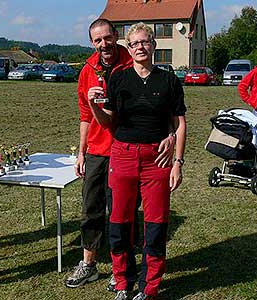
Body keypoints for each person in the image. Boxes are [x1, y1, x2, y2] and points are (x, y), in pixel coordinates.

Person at [65, 19, 176, 291]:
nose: (104, 44)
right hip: (97, 149)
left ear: (117, 37)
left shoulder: (134, 64)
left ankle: (123, 270)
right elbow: (84, 116)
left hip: (128, 151)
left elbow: (166, 111)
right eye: (97, 40)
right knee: (91, 208)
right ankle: (88, 264)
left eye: (108, 37)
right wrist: (81, 152)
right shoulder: (87, 70)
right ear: (92, 42)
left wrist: (171, 136)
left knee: (124, 213)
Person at [88, 22, 187, 300]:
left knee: (155, 225)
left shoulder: (168, 80)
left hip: (158, 158)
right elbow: (108, 122)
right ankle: (123, 282)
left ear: (154, 46)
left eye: (145, 42)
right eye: (135, 43)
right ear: (128, 48)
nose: (140, 47)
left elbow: (179, 123)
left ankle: (149, 287)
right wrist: (94, 105)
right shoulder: (118, 78)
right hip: (123, 155)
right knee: (119, 223)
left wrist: (178, 161)